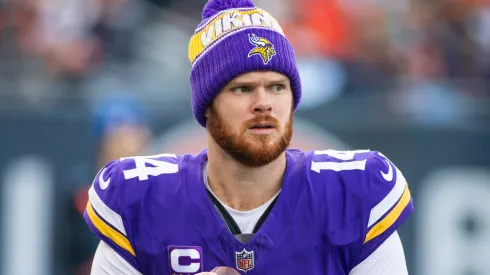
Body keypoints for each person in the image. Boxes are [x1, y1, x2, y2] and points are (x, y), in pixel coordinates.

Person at [84, 0, 414, 274]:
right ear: (207, 107)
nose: (263, 104)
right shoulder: (142, 200)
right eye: (243, 89)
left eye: (277, 87)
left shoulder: (351, 194)